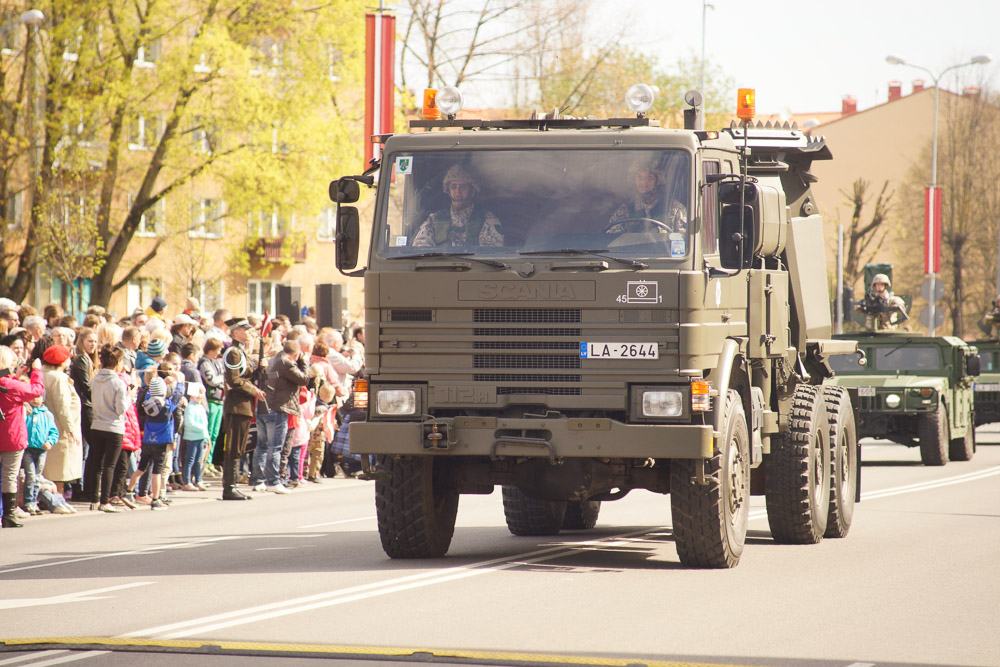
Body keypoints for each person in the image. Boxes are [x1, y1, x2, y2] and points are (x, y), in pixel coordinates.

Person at [254, 339, 309, 494]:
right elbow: (304, 379)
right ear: (296, 354)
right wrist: (304, 361)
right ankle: (272, 481)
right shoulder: (287, 363)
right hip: (277, 408)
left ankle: (258, 480)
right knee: (275, 447)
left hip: (264, 406)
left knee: (262, 446)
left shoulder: (272, 359)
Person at [220, 318, 265, 500]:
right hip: (237, 405)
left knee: (239, 447)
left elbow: (244, 376)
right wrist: (254, 390)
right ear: (236, 332)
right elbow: (234, 380)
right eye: (245, 330)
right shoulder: (234, 353)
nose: (249, 333)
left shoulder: (240, 352)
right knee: (234, 446)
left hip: (243, 405)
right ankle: (229, 487)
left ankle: (233, 485)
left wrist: (259, 370)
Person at [85, 345, 133, 513]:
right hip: (113, 426)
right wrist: (129, 396)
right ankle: (105, 500)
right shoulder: (118, 383)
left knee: (96, 463)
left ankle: (94, 499)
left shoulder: (95, 379)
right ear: (118, 362)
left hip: (97, 424)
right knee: (109, 466)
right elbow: (120, 408)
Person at [0, 349, 44, 527]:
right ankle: (9, 514)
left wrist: (17, 375)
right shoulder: (9, 384)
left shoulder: (8, 383)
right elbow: (36, 390)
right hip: (12, 435)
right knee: (10, 475)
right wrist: (37, 371)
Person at [127, 374, 184, 510]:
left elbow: (150, 392)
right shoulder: (168, 406)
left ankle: (129, 492)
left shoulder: (147, 402)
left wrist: (161, 382)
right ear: (164, 392)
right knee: (156, 472)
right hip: (162, 443)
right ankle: (156, 499)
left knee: (141, 468)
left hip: (148, 440)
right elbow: (179, 393)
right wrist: (179, 381)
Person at [411, 164, 504, 247]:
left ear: (472, 190)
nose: (457, 191)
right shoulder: (434, 219)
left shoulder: (487, 220)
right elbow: (420, 249)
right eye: (453, 186)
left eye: (462, 186)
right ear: (448, 190)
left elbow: (491, 255)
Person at [608, 155, 688, 234]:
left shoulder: (675, 209)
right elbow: (611, 238)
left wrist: (669, 238)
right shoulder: (625, 210)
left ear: (658, 180)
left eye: (649, 177)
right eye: (639, 177)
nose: (643, 182)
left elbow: (683, 240)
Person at [41, 345, 82, 496]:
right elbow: (62, 407)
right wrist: (71, 429)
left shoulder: (43, 373)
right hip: (60, 429)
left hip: (47, 426)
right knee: (59, 468)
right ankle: (56, 497)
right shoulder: (58, 378)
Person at [23, 393, 60, 515]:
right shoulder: (26, 412)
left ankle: (34, 502)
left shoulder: (47, 414)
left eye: (38, 397)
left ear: (43, 399)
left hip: (41, 450)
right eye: (32, 397)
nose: (35, 399)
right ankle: (28, 502)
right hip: (28, 449)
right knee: (30, 476)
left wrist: (49, 442)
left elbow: (53, 432)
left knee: (37, 477)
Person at [180, 382, 209, 491]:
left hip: (201, 436)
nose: (200, 396)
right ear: (192, 395)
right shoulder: (190, 408)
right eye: (198, 393)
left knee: (198, 460)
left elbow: (205, 422)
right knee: (190, 460)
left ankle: (198, 480)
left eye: (202, 394)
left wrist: (205, 433)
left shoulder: (200, 407)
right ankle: (186, 481)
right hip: (192, 437)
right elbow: (190, 423)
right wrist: (203, 429)